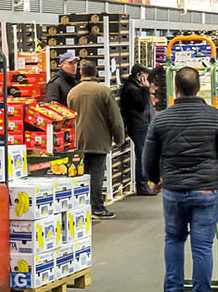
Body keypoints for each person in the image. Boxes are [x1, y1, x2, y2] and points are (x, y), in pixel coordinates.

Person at [143, 66, 218, 292]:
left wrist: (153, 179)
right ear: (199, 88)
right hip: (205, 191)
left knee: (174, 240)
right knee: (202, 247)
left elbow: (149, 154)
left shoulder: (161, 119)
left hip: (174, 191)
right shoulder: (214, 116)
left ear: (175, 88)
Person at [67, 63, 127, 219]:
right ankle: (97, 207)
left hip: (80, 140)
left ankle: (83, 206)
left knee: (83, 175)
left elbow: (70, 117)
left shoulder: (73, 92)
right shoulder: (104, 92)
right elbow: (115, 118)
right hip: (99, 139)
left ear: (81, 73)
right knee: (97, 174)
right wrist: (119, 138)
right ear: (96, 73)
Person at [119, 64, 156, 193]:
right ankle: (142, 185)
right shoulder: (131, 89)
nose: (147, 77)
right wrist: (145, 89)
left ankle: (145, 183)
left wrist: (159, 69)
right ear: (138, 75)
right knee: (142, 155)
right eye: (145, 74)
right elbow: (142, 105)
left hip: (143, 124)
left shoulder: (135, 86)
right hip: (138, 126)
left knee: (144, 154)